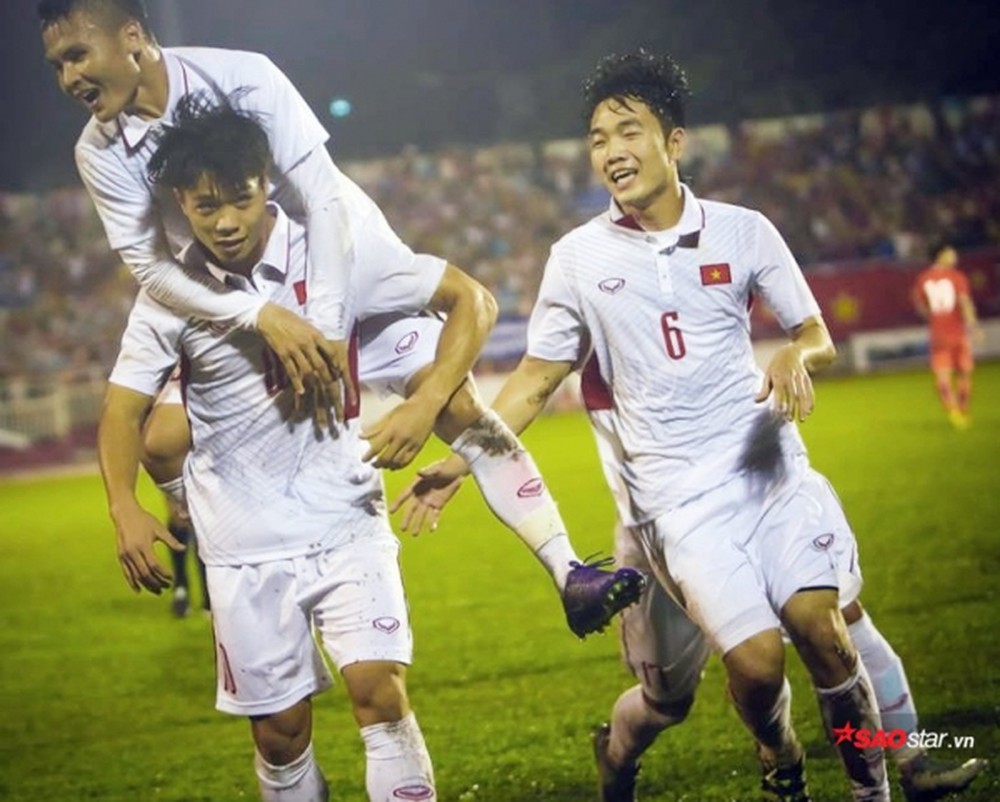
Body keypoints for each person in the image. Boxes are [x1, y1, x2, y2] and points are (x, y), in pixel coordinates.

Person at [394, 51, 984, 802]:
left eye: (628, 132)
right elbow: (536, 379)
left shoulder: (744, 231)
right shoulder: (577, 258)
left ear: (674, 142)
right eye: (598, 138)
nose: (611, 150)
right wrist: (464, 460)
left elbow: (814, 333)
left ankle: (892, 776)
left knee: (830, 626)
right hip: (672, 507)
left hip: (768, 470)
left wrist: (795, 355)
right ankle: (766, 756)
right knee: (742, 671)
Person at [37, 0, 643, 636]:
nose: (69, 77)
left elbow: (323, 197)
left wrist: (328, 331)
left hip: (335, 271)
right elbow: (153, 269)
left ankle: (568, 571)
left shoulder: (243, 77)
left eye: (77, 55)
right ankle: (210, 534)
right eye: (57, 65)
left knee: (456, 406)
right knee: (161, 442)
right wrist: (262, 314)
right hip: (232, 299)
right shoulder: (99, 152)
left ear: (132, 36)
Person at [97, 95, 485, 801]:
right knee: (281, 734)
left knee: (380, 694)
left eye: (240, 199)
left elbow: (470, 299)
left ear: (267, 182)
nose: (225, 221)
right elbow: (123, 411)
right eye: (205, 205)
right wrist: (124, 505)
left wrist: (425, 403)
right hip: (242, 547)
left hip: (345, 521)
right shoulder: (170, 295)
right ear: (181, 201)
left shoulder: (335, 251)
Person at [911, 242, 983, 429]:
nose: (955, 256)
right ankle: (963, 409)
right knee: (964, 372)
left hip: (938, 333)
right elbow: (964, 302)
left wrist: (934, 317)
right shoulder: (956, 277)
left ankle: (953, 412)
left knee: (942, 374)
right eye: (951, 253)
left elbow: (921, 307)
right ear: (941, 255)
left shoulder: (923, 278)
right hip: (957, 332)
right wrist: (974, 326)